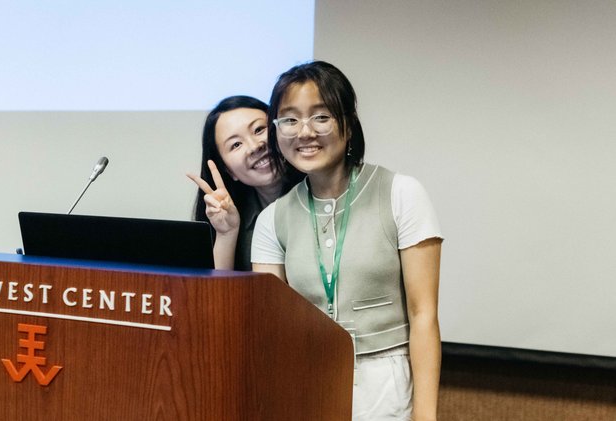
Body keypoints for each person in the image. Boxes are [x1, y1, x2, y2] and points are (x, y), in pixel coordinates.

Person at [251, 61, 443, 421]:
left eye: (320, 117)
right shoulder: (271, 220)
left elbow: (424, 316)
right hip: (305, 380)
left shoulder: (401, 193)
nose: (304, 132)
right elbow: (271, 330)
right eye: (289, 119)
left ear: (348, 124)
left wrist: (426, 415)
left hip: (385, 381)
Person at [187, 95, 303, 270]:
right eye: (236, 145)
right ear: (228, 171)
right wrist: (226, 234)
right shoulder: (233, 216)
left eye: (259, 130)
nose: (255, 146)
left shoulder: (323, 191)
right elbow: (219, 294)